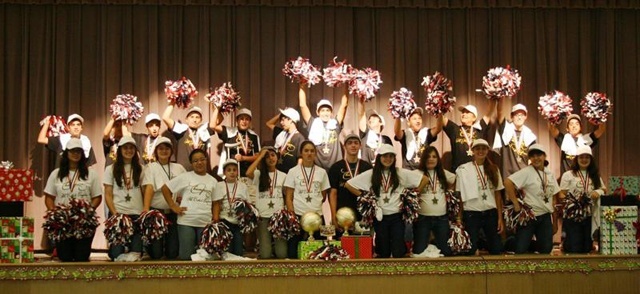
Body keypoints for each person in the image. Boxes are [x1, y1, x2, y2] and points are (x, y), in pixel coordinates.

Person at [345, 144, 428, 258]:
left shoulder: (400, 173)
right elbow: (348, 184)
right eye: (385, 156)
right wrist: (366, 197)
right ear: (379, 157)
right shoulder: (371, 174)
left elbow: (424, 179)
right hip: (380, 218)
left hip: (397, 217)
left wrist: (414, 193)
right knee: (383, 251)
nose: (388, 159)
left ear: (394, 159)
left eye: (391, 156)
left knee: (398, 251)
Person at [43, 138, 102, 262]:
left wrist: (87, 212)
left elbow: (97, 197)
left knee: (82, 256)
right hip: (63, 223)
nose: (75, 154)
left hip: (83, 222)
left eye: (78, 151)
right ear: (66, 153)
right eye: (72, 151)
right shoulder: (56, 174)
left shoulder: (91, 174)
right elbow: (49, 197)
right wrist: (55, 214)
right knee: (65, 256)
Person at [504, 144, 561, 254]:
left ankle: (532, 245)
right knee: (520, 250)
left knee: (546, 250)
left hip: (545, 216)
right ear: (529, 158)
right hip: (530, 216)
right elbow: (508, 182)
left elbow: (553, 199)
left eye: (539, 155)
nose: (536, 158)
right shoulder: (527, 172)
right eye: (533, 156)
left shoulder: (549, 174)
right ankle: (511, 242)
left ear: (544, 156)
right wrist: (515, 203)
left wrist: (554, 223)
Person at [161, 149, 218, 260]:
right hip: (186, 221)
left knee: (205, 256)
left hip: (205, 223)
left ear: (206, 160)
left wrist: (215, 220)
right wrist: (173, 206)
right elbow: (165, 188)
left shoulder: (213, 181)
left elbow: (215, 203)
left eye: (202, 159)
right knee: (186, 256)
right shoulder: (185, 177)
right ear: (191, 163)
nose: (199, 163)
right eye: (195, 161)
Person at [456, 139, 505, 255]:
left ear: (488, 150)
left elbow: (498, 194)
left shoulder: (494, 169)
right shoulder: (463, 169)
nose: (480, 151)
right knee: (470, 250)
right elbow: (460, 196)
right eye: (477, 149)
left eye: (483, 148)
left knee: (497, 249)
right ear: (472, 151)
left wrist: (500, 218)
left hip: (490, 213)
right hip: (472, 213)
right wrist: (459, 217)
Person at [284, 141, 331, 258]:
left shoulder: (322, 172)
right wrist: (292, 215)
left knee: (322, 251)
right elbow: (289, 196)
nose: (309, 153)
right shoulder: (293, 171)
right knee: (293, 251)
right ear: (301, 153)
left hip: (317, 216)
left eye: (312, 151)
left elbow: (324, 196)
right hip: (298, 215)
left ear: (315, 153)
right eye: (306, 151)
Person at [142, 136, 187, 259]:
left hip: (173, 214)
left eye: (167, 148)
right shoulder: (151, 167)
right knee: (156, 254)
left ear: (171, 151)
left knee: (172, 253)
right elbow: (149, 188)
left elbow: (186, 188)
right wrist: (146, 210)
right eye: (160, 148)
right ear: (156, 151)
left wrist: (181, 198)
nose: (164, 151)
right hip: (157, 213)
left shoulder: (179, 168)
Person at [103, 136, 144, 260]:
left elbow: (144, 192)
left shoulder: (141, 168)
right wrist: (115, 214)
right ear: (119, 150)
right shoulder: (110, 169)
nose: (128, 150)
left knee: (136, 254)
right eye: (125, 148)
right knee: (116, 255)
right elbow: (108, 194)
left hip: (136, 214)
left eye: (131, 148)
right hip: (119, 214)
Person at [559, 145, 606, 253]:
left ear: (591, 160)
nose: (584, 160)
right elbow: (561, 194)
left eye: (587, 157)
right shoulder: (568, 175)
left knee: (587, 246)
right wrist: (574, 202)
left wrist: (597, 192)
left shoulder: (594, 175)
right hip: (573, 215)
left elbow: (603, 189)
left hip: (589, 214)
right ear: (576, 159)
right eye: (581, 157)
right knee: (575, 245)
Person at [413, 146, 456, 256]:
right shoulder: (417, 173)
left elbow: (456, 180)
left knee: (446, 251)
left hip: (441, 218)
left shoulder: (443, 173)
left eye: (434, 156)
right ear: (423, 159)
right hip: (423, 218)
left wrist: (450, 193)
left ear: (438, 159)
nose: (431, 159)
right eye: (428, 156)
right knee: (419, 251)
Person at [246, 147, 288, 259]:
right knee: (265, 255)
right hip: (263, 216)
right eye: (267, 156)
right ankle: (268, 248)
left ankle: (275, 248)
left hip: (278, 217)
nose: (270, 158)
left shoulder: (283, 175)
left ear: (277, 157)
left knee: (282, 254)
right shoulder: (258, 174)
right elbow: (248, 172)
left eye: (273, 155)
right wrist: (260, 156)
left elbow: (287, 194)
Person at [328, 134, 373, 237]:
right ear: (345, 146)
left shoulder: (367, 167)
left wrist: (369, 216)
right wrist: (334, 216)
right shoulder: (336, 167)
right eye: (350, 143)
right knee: (341, 249)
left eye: (356, 143)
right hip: (342, 215)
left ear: (360, 146)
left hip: (362, 215)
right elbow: (333, 194)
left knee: (362, 249)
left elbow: (371, 194)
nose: (353, 146)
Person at [298, 82, 349, 170]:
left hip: (336, 167)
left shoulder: (335, 124)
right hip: (317, 167)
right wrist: (302, 85)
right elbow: (302, 105)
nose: (325, 113)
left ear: (331, 112)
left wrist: (346, 84)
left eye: (328, 110)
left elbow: (344, 105)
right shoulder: (313, 124)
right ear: (317, 112)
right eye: (322, 110)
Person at [437, 102, 495, 171]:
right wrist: (438, 102)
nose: (463, 114)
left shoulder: (479, 128)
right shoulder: (454, 129)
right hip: (459, 171)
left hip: (477, 171)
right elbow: (441, 117)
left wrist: (493, 96)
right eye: (462, 112)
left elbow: (489, 113)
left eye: (467, 112)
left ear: (474, 118)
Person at [213, 159, 250, 256]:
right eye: (229, 170)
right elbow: (216, 203)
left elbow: (247, 204)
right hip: (224, 221)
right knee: (227, 250)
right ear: (224, 172)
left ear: (237, 172)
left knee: (238, 251)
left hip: (238, 222)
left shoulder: (243, 186)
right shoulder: (219, 185)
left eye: (234, 170)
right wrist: (216, 220)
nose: (232, 172)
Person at [210, 107, 260, 177]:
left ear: (250, 121)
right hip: (232, 174)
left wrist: (243, 158)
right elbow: (212, 126)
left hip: (249, 173)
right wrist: (217, 108)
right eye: (241, 119)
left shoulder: (254, 136)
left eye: (247, 119)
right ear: (237, 120)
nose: (244, 121)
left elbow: (258, 156)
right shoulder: (229, 131)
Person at [162, 103, 213, 170]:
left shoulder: (204, 131)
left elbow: (217, 121)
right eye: (192, 117)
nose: (194, 120)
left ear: (201, 120)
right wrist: (172, 101)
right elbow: (165, 118)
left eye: (197, 117)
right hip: (183, 172)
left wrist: (215, 104)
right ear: (186, 119)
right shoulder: (181, 130)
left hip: (200, 172)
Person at [493, 103, 537, 178]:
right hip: (508, 176)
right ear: (511, 116)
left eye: (522, 115)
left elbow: (532, 159)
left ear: (526, 117)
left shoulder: (530, 136)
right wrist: (501, 95)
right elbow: (499, 112)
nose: (519, 117)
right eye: (517, 115)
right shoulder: (505, 130)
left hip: (524, 177)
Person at [266, 107, 306, 173]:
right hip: (278, 172)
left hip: (290, 173)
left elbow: (300, 158)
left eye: (283, 120)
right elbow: (269, 124)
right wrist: (282, 113)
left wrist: (296, 173)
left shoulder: (300, 138)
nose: (281, 122)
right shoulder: (282, 133)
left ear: (290, 120)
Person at [358, 100, 392, 165]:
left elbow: (391, 157)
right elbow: (361, 115)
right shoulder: (365, 134)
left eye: (374, 117)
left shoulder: (386, 139)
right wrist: (361, 100)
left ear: (381, 122)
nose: (371, 119)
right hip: (366, 171)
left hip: (381, 171)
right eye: (370, 118)